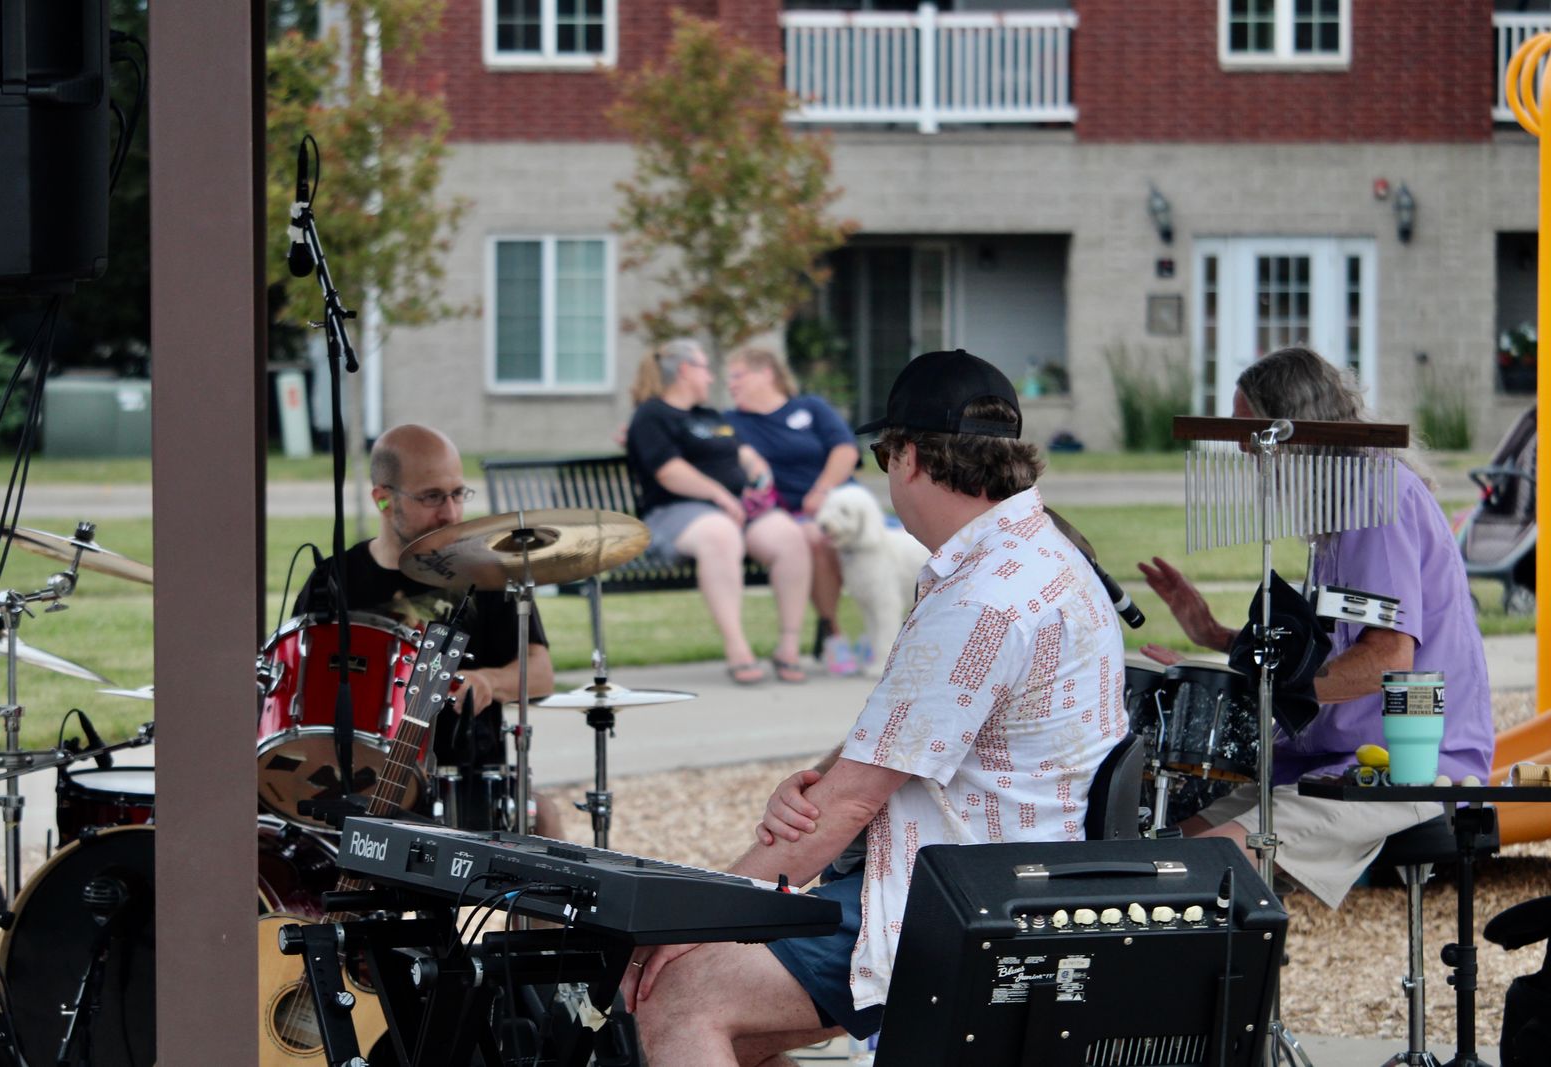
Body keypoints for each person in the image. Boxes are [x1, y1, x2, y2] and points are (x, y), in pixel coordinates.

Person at [618, 350, 1126, 1066]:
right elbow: (903, 739)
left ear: (908, 457)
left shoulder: (981, 598)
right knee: (731, 1014)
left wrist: (698, 916)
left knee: (675, 996)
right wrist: (824, 776)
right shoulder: (1040, 553)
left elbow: (852, 803)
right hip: (1002, 874)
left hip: (959, 899)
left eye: (883, 457)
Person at [1138, 346, 1494, 907]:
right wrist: (1219, 638)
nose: (1244, 450)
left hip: (1410, 767)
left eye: (1252, 434)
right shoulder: (1340, 510)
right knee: (1161, 850)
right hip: (1327, 762)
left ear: (1294, 430)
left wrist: (1255, 690)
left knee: (1192, 869)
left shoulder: (1376, 498)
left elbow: (1386, 661)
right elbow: (1327, 656)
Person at [293, 423, 562, 838]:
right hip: (352, 783)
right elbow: (293, 687)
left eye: (458, 494)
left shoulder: (486, 574)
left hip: (466, 782)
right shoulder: (333, 583)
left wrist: (488, 681)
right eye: (432, 497)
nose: (451, 514)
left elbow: (541, 673)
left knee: (544, 816)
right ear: (383, 499)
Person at [626, 339, 813, 685]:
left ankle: (789, 646)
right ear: (685, 370)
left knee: (790, 536)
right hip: (676, 513)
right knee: (720, 534)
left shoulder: (709, 415)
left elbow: (744, 453)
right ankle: (737, 648)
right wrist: (719, 495)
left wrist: (760, 475)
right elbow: (669, 472)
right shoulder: (652, 415)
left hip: (738, 510)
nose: (711, 378)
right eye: (705, 369)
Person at [723, 347, 864, 675]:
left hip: (843, 504)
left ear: (766, 373)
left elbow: (845, 450)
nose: (730, 384)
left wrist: (822, 491)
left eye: (738, 376)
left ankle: (885, 637)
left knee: (892, 547)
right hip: (793, 515)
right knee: (815, 538)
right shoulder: (731, 422)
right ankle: (834, 633)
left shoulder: (810, 407)